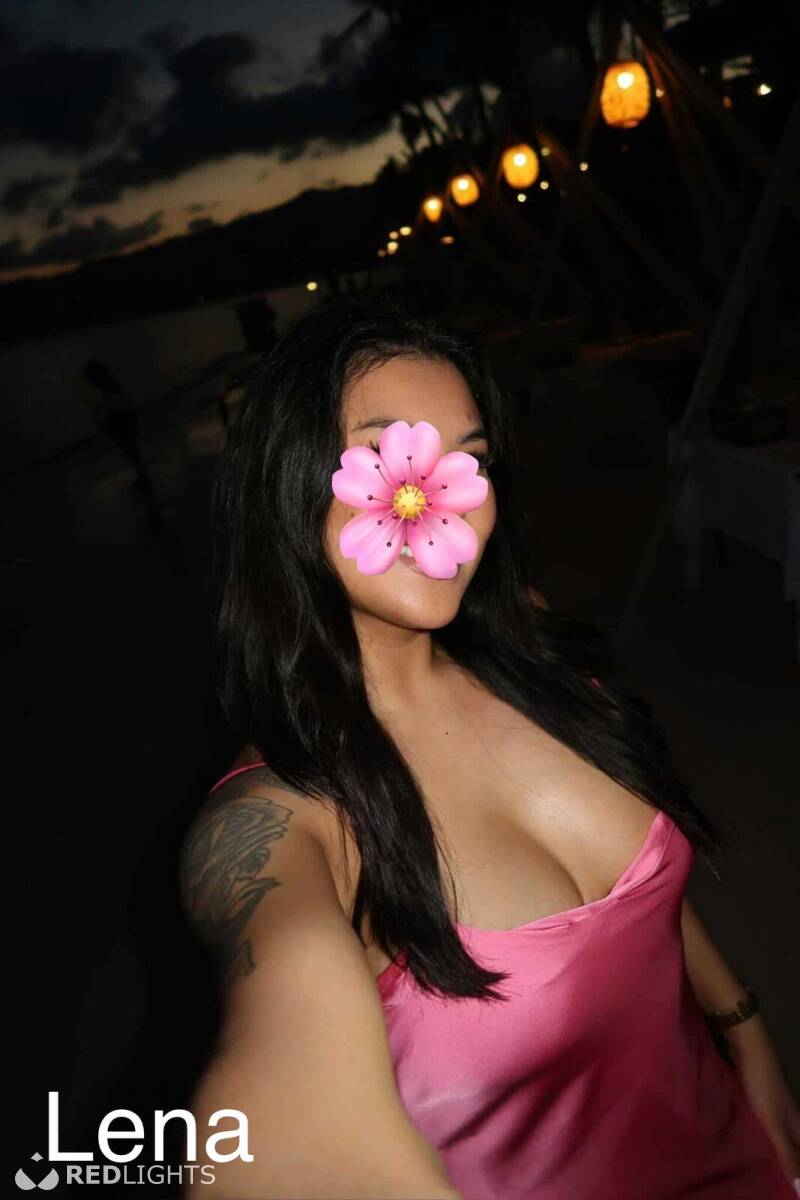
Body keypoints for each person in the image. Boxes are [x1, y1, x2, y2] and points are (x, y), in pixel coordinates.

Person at [179, 293, 799, 1199]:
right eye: (390, 456)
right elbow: (273, 1111)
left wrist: (746, 1033)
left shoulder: (529, 654)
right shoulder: (279, 815)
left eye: (468, 461)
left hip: (737, 1148)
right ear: (287, 485)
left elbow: (643, 900)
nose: (439, 500)